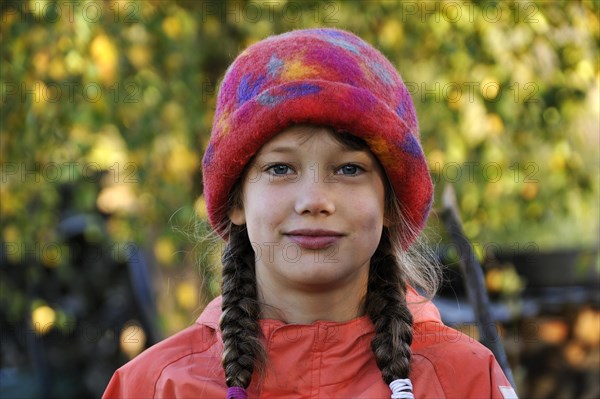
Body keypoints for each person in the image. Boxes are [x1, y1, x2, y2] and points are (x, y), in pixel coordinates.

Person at [103, 28, 516, 399]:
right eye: (280, 168)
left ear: (389, 203)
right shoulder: (156, 386)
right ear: (236, 201)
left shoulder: (465, 380)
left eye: (349, 169)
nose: (314, 200)